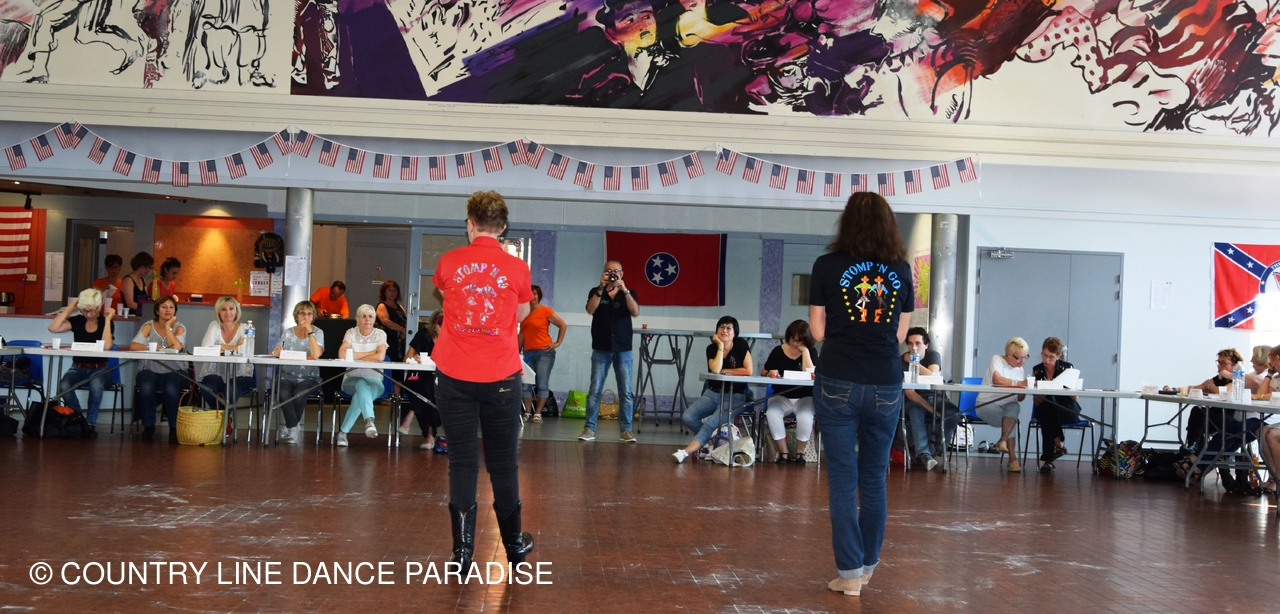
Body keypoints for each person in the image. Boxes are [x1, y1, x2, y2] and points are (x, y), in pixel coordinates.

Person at [808, 192, 914, 597]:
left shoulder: (826, 265)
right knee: (873, 477)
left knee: (842, 479)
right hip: (885, 380)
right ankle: (867, 567)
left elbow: (818, 332)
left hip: (838, 377)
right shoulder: (901, 269)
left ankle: (849, 574)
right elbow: (900, 335)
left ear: (847, 223)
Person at [431, 191, 535, 571]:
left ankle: (462, 552)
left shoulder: (448, 262)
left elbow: (445, 295)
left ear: (470, 224)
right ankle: (514, 545)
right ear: (503, 227)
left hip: (454, 376)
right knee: (503, 464)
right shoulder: (518, 269)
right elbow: (521, 314)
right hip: (501, 378)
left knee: (462, 463)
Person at [672, 316, 754, 463]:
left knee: (710, 424)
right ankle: (710, 444)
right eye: (721, 327)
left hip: (735, 396)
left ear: (735, 332)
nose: (725, 330)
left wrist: (726, 371)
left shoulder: (741, 344)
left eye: (729, 328)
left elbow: (748, 371)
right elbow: (715, 369)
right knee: (688, 416)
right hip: (712, 393)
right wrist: (720, 345)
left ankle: (685, 452)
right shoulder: (711, 348)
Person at [580, 259, 640, 443]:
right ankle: (589, 429)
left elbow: (635, 312)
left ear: (622, 274)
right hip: (601, 347)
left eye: (616, 271)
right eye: (609, 271)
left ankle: (626, 430)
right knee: (595, 390)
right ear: (604, 273)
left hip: (623, 348)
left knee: (626, 392)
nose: (613, 274)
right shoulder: (596, 291)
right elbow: (590, 309)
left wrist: (625, 290)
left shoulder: (629, 293)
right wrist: (601, 287)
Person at [47, 288, 115, 429]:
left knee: (96, 385)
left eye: (92, 310)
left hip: (100, 368)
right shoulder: (78, 320)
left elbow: (107, 346)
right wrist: (71, 307)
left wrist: (108, 320)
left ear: (99, 307)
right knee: (64, 386)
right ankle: (78, 418)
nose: (88, 314)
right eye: (84, 310)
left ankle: (90, 423)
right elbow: (53, 328)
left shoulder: (105, 322)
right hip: (77, 367)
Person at [128, 296, 187, 442]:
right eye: (164, 307)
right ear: (157, 310)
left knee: (171, 388)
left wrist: (168, 328)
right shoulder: (148, 326)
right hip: (149, 368)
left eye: (171, 307)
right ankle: (148, 426)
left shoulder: (180, 327)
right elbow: (133, 345)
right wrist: (150, 347)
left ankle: (174, 428)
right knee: (146, 386)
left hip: (175, 369)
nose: (168, 310)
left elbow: (176, 347)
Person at [901, 327, 959, 471]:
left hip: (935, 397)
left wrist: (915, 362)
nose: (913, 347)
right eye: (910, 344)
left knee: (953, 412)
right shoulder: (902, 360)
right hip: (914, 400)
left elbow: (933, 376)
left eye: (918, 343)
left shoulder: (933, 355)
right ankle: (924, 454)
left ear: (926, 345)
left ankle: (939, 448)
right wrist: (931, 410)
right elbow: (910, 393)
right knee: (915, 409)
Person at [271, 300, 324, 444]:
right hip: (286, 375)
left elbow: (316, 354)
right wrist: (277, 351)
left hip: (310, 377)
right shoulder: (288, 333)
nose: (306, 317)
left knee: (299, 393)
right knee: (283, 392)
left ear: (313, 316)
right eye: (302, 313)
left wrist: (310, 332)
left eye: (309, 314)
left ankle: (290, 426)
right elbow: (277, 352)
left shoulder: (318, 332)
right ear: (296, 316)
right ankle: (293, 426)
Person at [762, 319, 814, 464]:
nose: (795, 343)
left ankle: (800, 453)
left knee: (806, 416)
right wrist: (769, 373)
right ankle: (783, 452)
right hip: (781, 396)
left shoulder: (811, 352)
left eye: (799, 341)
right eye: (792, 339)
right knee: (772, 413)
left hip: (804, 397)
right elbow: (764, 371)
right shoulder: (778, 351)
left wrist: (805, 352)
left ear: (805, 340)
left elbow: (810, 374)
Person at [335, 304, 388, 446]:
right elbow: (341, 354)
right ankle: (369, 421)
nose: (367, 319)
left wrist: (354, 355)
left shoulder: (380, 334)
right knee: (361, 383)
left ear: (374, 319)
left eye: (370, 316)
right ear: (357, 319)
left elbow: (380, 356)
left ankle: (343, 433)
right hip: (351, 380)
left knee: (360, 393)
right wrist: (370, 354)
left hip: (375, 381)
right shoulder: (351, 333)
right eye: (363, 316)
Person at [978, 337, 1029, 473]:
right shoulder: (997, 359)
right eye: (1019, 358)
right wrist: (1020, 384)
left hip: (1007, 408)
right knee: (1011, 419)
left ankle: (1003, 440)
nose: (1022, 362)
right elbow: (997, 379)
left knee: (1014, 407)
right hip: (986, 404)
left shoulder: (1020, 370)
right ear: (1008, 354)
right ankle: (1012, 459)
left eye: (1025, 357)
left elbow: (1019, 398)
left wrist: (1026, 389)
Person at [1030, 337, 1080, 473]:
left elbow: (1074, 398)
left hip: (1067, 410)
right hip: (1047, 411)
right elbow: (1037, 402)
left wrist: (1061, 386)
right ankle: (1058, 447)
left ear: (1058, 356)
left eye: (1051, 357)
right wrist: (1044, 388)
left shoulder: (1067, 368)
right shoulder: (1037, 371)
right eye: (1044, 355)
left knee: (1047, 413)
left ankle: (1051, 456)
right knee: (1047, 410)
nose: (1046, 360)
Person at [197, 297, 255, 410]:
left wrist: (219, 347)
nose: (228, 312)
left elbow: (245, 351)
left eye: (231, 309)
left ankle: (222, 418)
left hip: (240, 374)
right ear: (218, 312)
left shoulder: (245, 328)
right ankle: (223, 415)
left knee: (231, 390)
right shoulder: (214, 326)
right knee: (206, 388)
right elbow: (206, 349)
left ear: (236, 311)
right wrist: (235, 347)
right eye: (223, 309)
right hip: (214, 372)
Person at [519, 285, 567, 422]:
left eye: (535, 294)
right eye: (530, 294)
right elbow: (522, 334)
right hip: (528, 352)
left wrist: (557, 342)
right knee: (526, 384)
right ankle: (528, 412)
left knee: (542, 384)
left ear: (539, 296)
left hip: (544, 353)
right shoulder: (523, 313)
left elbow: (563, 325)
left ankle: (538, 413)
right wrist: (516, 353)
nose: (532, 297)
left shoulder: (545, 311)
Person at [399, 311, 444, 450]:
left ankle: (411, 413)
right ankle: (429, 435)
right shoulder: (423, 334)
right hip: (418, 377)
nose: (444, 329)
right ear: (434, 325)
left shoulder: (453, 339)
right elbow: (406, 358)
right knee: (425, 388)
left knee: (428, 388)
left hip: (441, 379)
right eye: (441, 325)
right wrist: (415, 359)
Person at [376, 280, 408, 363]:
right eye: (390, 290)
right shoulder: (382, 306)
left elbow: (406, 320)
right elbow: (386, 322)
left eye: (394, 290)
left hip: (401, 342)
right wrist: (402, 329)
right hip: (389, 341)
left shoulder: (400, 306)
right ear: (384, 292)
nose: (392, 293)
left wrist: (406, 332)